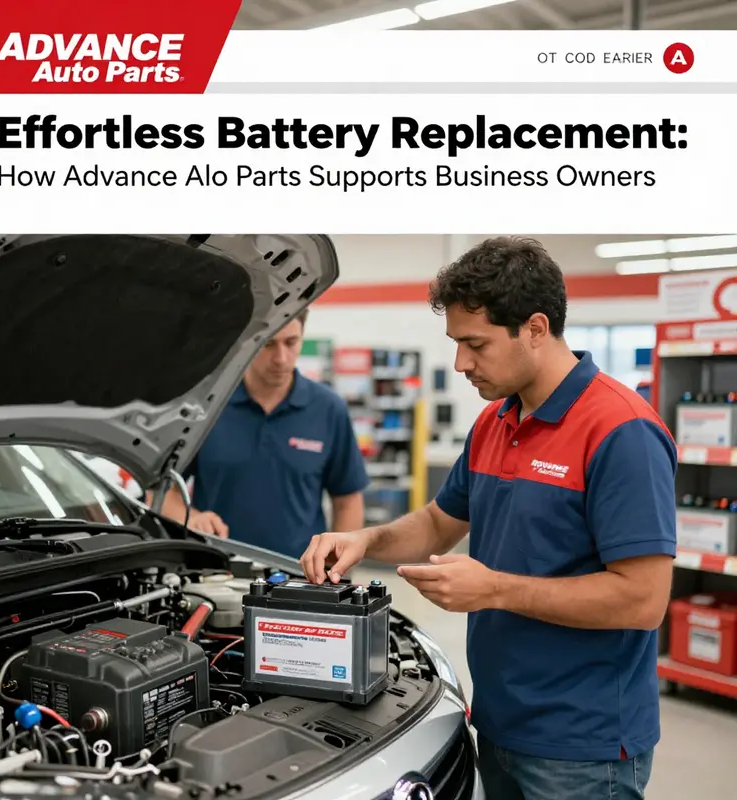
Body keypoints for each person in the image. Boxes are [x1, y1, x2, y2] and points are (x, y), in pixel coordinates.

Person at [300, 236, 677, 800]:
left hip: (582, 744)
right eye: (456, 343)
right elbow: (436, 524)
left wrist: (493, 589)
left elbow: (643, 600)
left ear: (535, 328)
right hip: (498, 720)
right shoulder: (496, 422)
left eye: (475, 344)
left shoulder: (621, 432)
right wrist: (364, 538)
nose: (460, 363)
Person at [160, 309, 369, 560]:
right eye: (268, 344)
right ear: (246, 343)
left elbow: (347, 500)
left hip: (299, 579)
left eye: (291, 343)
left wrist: (336, 570)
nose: (281, 358)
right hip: (217, 575)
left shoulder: (329, 409)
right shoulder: (206, 407)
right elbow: (162, 492)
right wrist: (191, 519)